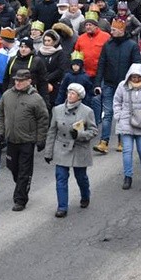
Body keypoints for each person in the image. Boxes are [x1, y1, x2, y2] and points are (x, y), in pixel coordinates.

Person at [0, 69, 49, 211]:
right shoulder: (7, 95)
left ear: (29, 81)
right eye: (16, 80)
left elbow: (43, 119)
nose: (18, 83)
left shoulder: (36, 99)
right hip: (11, 140)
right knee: (13, 168)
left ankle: (20, 199)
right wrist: (0, 131)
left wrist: (41, 139)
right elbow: (0, 112)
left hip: (27, 140)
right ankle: (21, 184)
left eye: (21, 80)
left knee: (24, 171)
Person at [44, 84, 98, 218]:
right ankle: (62, 207)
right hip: (61, 148)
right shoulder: (57, 110)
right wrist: (48, 151)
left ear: (79, 96)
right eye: (69, 92)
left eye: (73, 93)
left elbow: (93, 131)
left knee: (81, 177)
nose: (69, 95)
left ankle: (85, 195)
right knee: (61, 177)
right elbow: (52, 132)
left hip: (79, 148)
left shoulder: (87, 111)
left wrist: (80, 135)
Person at [93, 19, 141, 154]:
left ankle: (122, 140)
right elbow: (101, 65)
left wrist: (135, 83)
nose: (111, 32)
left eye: (114, 30)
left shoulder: (132, 46)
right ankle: (104, 142)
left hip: (125, 85)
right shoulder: (107, 45)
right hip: (109, 83)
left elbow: (136, 66)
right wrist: (98, 83)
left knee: (122, 114)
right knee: (107, 113)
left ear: (121, 30)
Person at [5, 37, 50, 102]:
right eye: (21, 47)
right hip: (13, 94)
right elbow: (6, 79)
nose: (23, 49)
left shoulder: (37, 61)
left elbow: (43, 82)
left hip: (30, 95)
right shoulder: (12, 60)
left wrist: (45, 101)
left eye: (26, 47)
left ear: (31, 48)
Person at [38, 29, 69, 109]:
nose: (46, 43)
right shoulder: (40, 52)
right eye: (45, 40)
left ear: (55, 41)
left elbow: (61, 69)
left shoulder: (60, 53)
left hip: (55, 83)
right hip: (41, 83)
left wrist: (47, 79)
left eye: (49, 40)